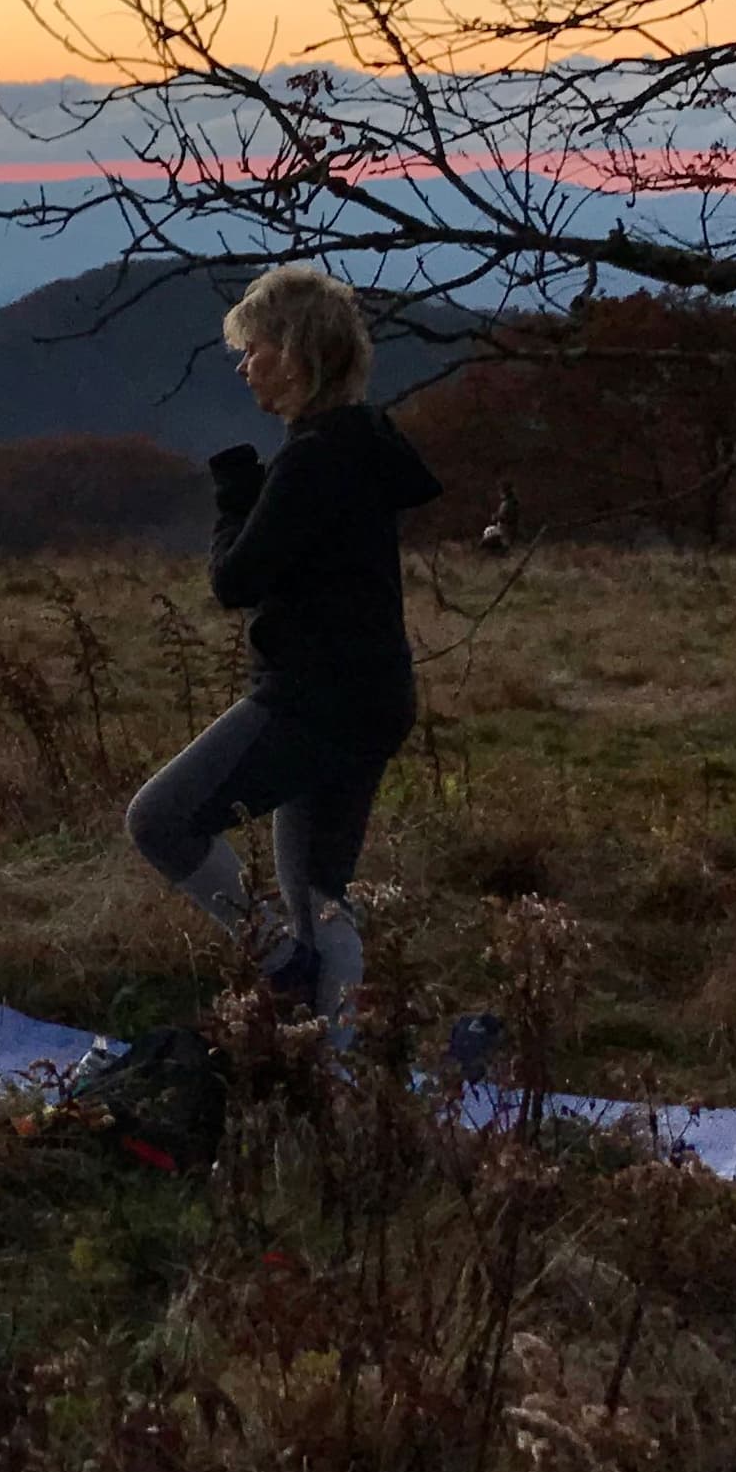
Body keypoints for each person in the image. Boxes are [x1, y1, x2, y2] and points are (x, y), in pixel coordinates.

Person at [125, 262, 441, 1020]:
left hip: (311, 700)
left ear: (296, 354)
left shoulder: (312, 458)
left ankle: (280, 963)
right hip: (372, 697)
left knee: (161, 819)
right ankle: (337, 1078)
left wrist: (234, 494)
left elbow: (235, 581)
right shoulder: (362, 443)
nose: (244, 366)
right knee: (320, 897)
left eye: (255, 348)